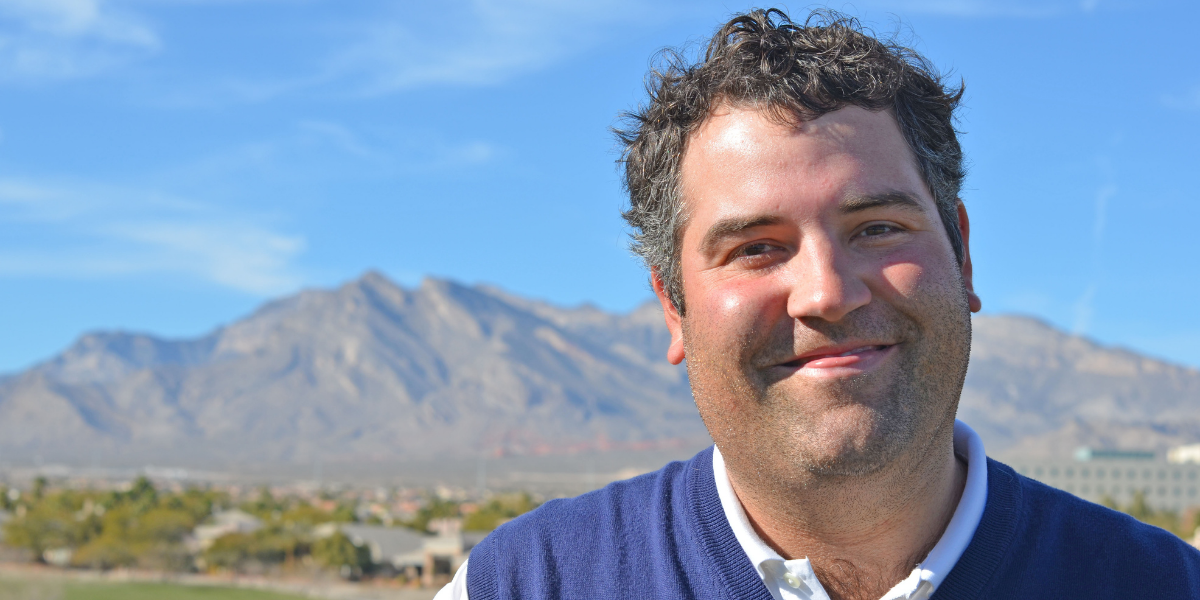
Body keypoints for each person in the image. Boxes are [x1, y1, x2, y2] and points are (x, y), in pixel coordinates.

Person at [436, 8, 1200, 600]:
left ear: (963, 254)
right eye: (756, 248)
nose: (828, 292)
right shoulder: (528, 583)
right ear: (673, 306)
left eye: (877, 228)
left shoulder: (1162, 585)